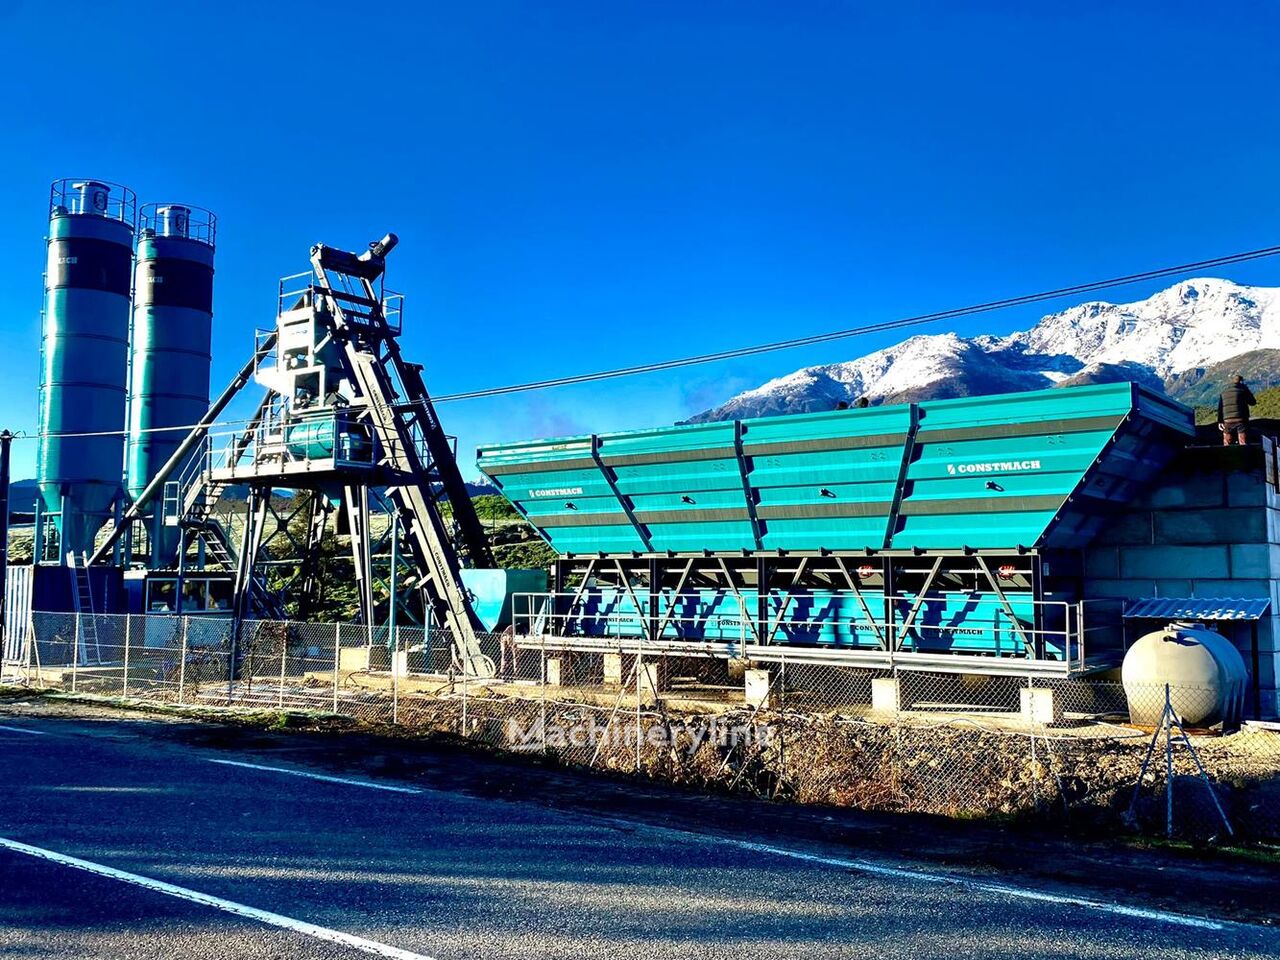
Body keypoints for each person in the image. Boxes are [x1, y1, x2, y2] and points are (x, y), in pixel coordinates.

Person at [1218, 375, 1257, 446]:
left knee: (1227, 441)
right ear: (1241, 382)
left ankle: (1227, 453)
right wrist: (1247, 390)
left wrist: (1220, 421)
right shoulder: (1243, 390)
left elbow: (1220, 408)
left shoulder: (1224, 392)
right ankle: (1243, 453)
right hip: (1240, 420)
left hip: (1227, 421)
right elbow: (1253, 402)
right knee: (1243, 442)